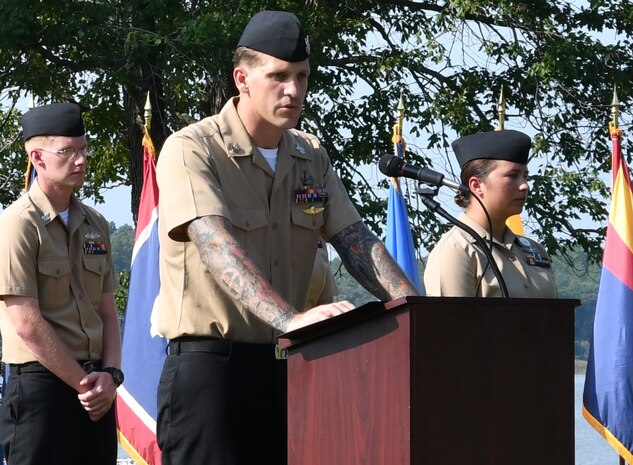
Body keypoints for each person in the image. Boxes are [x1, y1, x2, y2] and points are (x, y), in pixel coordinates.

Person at [155, 10, 419, 465]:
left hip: (293, 369)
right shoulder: (192, 148)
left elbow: (358, 243)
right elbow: (217, 246)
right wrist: (291, 320)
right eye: (278, 76)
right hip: (212, 374)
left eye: (301, 76)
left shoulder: (310, 154)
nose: (293, 90)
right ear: (242, 78)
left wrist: (422, 319)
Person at [0, 102, 123, 465]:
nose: (81, 159)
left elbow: (107, 313)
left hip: (96, 391)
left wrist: (111, 376)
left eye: (83, 149)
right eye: (67, 151)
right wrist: (86, 385)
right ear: (37, 157)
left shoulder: (96, 223)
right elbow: (26, 323)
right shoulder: (18, 224)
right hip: (42, 388)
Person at [423, 129, 558, 298]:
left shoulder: (534, 250)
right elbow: (451, 323)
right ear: (476, 185)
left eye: (525, 176)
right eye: (512, 175)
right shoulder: (455, 250)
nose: (524, 186)